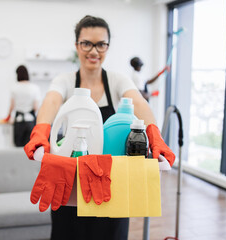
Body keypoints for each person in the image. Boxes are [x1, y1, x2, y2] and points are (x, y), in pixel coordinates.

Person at [24, 15, 175, 240]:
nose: (93, 51)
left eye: (101, 44)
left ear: (107, 47)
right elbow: (51, 102)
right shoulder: (65, 80)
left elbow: (139, 103)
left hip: (110, 184)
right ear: (77, 46)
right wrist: (41, 132)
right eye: (86, 43)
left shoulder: (117, 80)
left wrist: (154, 135)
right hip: (71, 182)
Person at [2, 65, 41, 147]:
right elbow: (36, 107)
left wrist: (8, 116)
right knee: (31, 146)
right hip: (30, 121)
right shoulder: (35, 88)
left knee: (18, 147)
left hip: (18, 121)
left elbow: (12, 106)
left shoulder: (14, 88)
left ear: (17, 75)